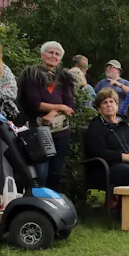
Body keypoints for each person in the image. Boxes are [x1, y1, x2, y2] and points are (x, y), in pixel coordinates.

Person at [18, 41, 75, 192]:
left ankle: (53, 203)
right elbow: (34, 103)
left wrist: (53, 112)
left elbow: (70, 105)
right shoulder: (31, 75)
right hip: (37, 130)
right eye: (51, 52)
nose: (54, 56)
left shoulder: (64, 78)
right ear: (43, 55)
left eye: (57, 54)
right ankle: (36, 201)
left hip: (60, 131)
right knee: (40, 172)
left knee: (56, 173)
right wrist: (60, 107)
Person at [85, 88, 129, 205]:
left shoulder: (124, 123)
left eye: (111, 101)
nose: (109, 105)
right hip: (107, 166)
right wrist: (124, 157)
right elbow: (98, 152)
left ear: (117, 105)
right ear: (99, 108)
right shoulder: (96, 126)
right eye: (105, 103)